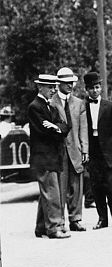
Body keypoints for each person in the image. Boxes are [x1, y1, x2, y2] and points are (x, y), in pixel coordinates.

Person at [28, 74, 71, 239]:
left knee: (48, 191)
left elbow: (66, 127)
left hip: (52, 156)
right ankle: (53, 228)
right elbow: (45, 131)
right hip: (43, 157)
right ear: (40, 87)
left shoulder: (50, 107)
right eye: (50, 87)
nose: (54, 90)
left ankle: (41, 227)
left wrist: (56, 127)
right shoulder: (34, 107)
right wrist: (56, 128)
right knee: (51, 192)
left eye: (54, 86)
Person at [84, 72, 112, 229]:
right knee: (96, 186)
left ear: (100, 88)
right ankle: (102, 219)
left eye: (97, 87)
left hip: (109, 152)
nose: (95, 91)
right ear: (86, 90)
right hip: (92, 151)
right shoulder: (83, 106)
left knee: (111, 186)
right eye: (91, 88)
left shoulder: (111, 106)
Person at [50, 67, 89, 232]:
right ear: (59, 83)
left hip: (75, 149)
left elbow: (83, 128)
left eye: (72, 82)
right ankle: (60, 222)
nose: (70, 86)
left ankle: (76, 219)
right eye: (66, 83)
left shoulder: (79, 103)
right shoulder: (51, 103)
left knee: (76, 186)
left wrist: (85, 150)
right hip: (58, 151)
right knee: (60, 187)